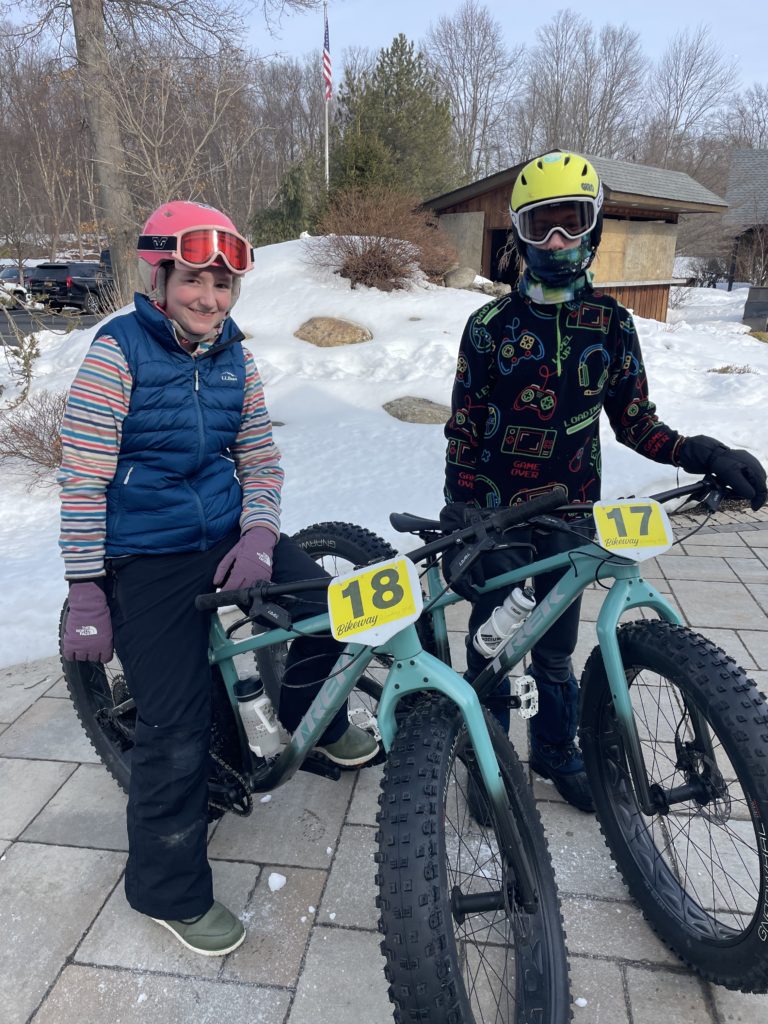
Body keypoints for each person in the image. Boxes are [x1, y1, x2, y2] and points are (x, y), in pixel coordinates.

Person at [58, 200, 378, 956]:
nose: (209, 298)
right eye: (194, 280)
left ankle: (311, 717)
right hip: (146, 553)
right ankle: (166, 889)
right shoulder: (117, 354)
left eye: (223, 284)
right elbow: (83, 480)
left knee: (334, 608)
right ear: (160, 279)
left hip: (229, 533)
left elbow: (259, 458)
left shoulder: (235, 357)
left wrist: (261, 533)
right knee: (175, 727)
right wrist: (85, 586)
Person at [441, 152, 767, 813]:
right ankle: (487, 759)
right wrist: (460, 514)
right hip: (496, 518)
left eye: (571, 223)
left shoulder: (613, 325)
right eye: (541, 226)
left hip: (571, 516)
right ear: (519, 233)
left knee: (556, 648)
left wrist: (702, 452)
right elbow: (465, 432)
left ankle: (555, 750)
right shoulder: (489, 328)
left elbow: (636, 422)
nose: (557, 241)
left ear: (593, 227)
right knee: (491, 646)